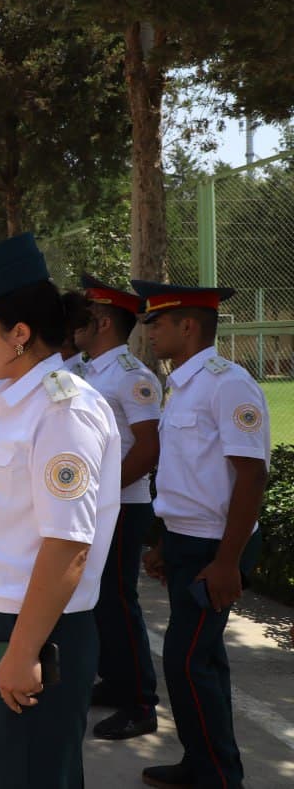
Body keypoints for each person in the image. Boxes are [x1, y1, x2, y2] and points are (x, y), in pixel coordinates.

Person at [0, 233, 121, 789]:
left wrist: (22, 652)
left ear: (19, 334)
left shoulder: (62, 410)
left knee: (26, 771)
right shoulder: (13, 402)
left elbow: (68, 545)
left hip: (31, 628)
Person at [133, 280, 270, 789]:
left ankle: (217, 774)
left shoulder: (226, 383)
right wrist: (167, 541)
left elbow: (251, 474)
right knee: (201, 659)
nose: (149, 332)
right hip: (191, 541)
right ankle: (204, 761)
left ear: (187, 325)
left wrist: (227, 561)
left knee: (187, 661)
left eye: (157, 323)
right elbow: (190, 477)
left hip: (219, 546)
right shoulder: (183, 384)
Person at [72, 276, 162, 741]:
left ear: (103, 321)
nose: (75, 327)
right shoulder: (90, 370)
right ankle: (114, 681)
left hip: (122, 505)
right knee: (100, 602)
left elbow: (148, 448)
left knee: (118, 603)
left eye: (85, 317)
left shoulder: (132, 376)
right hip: (100, 504)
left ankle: (140, 702)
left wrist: (103, 493)